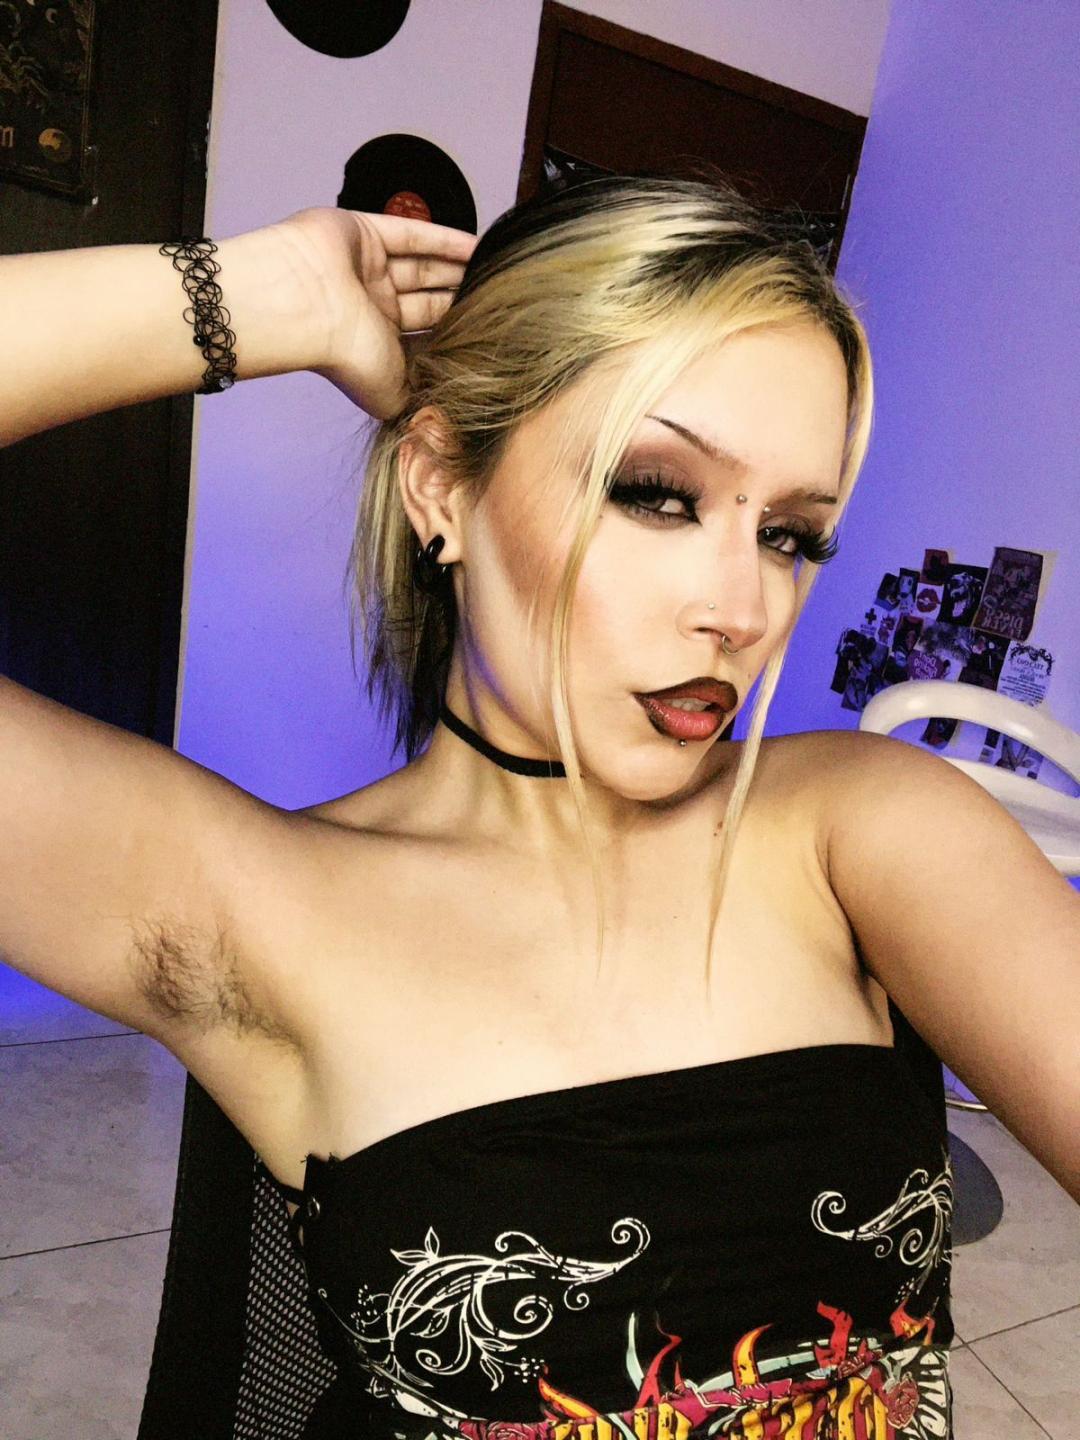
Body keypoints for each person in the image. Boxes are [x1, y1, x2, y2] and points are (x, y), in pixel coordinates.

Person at [2, 173, 1077, 1440]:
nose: (743, 610)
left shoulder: (868, 827)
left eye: (791, 533)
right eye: (656, 492)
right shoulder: (252, 900)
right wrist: (266, 296)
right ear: (440, 487)